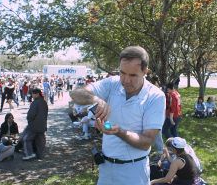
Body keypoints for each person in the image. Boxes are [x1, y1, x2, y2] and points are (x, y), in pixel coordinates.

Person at [70, 46, 166, 185]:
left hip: (134, 170)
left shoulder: (156, 97)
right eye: (122, 73)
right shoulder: (112, 83)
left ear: (145, 71)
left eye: (133, 75)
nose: (126, 80)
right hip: (106, 167)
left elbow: (146, 142)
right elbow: (75, 94)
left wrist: (118, 131)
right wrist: (95, 99)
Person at [22, 88, 48, 160]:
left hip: (34, 125)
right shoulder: (44, 102)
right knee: (40, 141)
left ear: (37, 94)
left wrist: (29, 120)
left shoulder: (35, 102)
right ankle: (40, 155)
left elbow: (31, 115)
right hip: (42, 125)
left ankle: (29, 154)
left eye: (33, 94)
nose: (32, 95)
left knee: (26, 139)